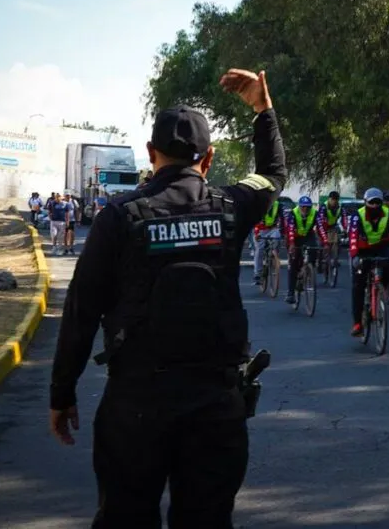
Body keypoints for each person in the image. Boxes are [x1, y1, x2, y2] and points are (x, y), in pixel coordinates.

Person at [48, 67, 287, 528]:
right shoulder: (231, 208)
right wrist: (262, 109)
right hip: (215, 408)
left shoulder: (117, 217)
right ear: (209, 158)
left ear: (151, 153)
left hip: (135, 406)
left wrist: (62, 393)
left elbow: (81, 311)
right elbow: (273, 173)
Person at [348, 187, 389, 337]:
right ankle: (357, 323)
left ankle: (383, 288)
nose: (375, 206)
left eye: (378, 202)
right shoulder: (358, 216)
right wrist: (355, 256)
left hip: (382, 247)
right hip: (363, 250)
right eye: (371, 202)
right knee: (358, 286)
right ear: (365, 202)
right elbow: (353, 236)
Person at [284, 195, 326, 303]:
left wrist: (325, 242)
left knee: (314, 250)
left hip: (308, 236)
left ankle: (308, 269)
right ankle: (290, 293)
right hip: (295, 238)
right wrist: (292, 244)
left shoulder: (315, 214)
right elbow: (290, 229)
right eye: (303, 207)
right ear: (299, 206)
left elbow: (320, 228)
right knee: (293, 264)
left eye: (307, 207)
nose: (305, 209)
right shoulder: (293, 214)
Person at [251, 199, 282, 285]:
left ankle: (274, 256)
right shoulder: (260, 204)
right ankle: (257, 273)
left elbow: (283, 219)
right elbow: (255, 220)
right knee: (259, 249)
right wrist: (257, 233)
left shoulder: (277, 205)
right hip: (261, 229)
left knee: (277, 237)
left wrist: (284, 232)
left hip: (273, 228)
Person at [318, 190, 345, 269]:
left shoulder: (340, 207)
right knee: (321, 245)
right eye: (332, 199)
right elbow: (320, 220)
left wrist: (345, 229)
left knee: (338, 242)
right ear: (329, 199)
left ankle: (336, 259)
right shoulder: (323, 207)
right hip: (322, 227)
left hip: (333, 227)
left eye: (336, 199)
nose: (334, 201)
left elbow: (344, 218)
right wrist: (323, 231)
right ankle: (320, 263)